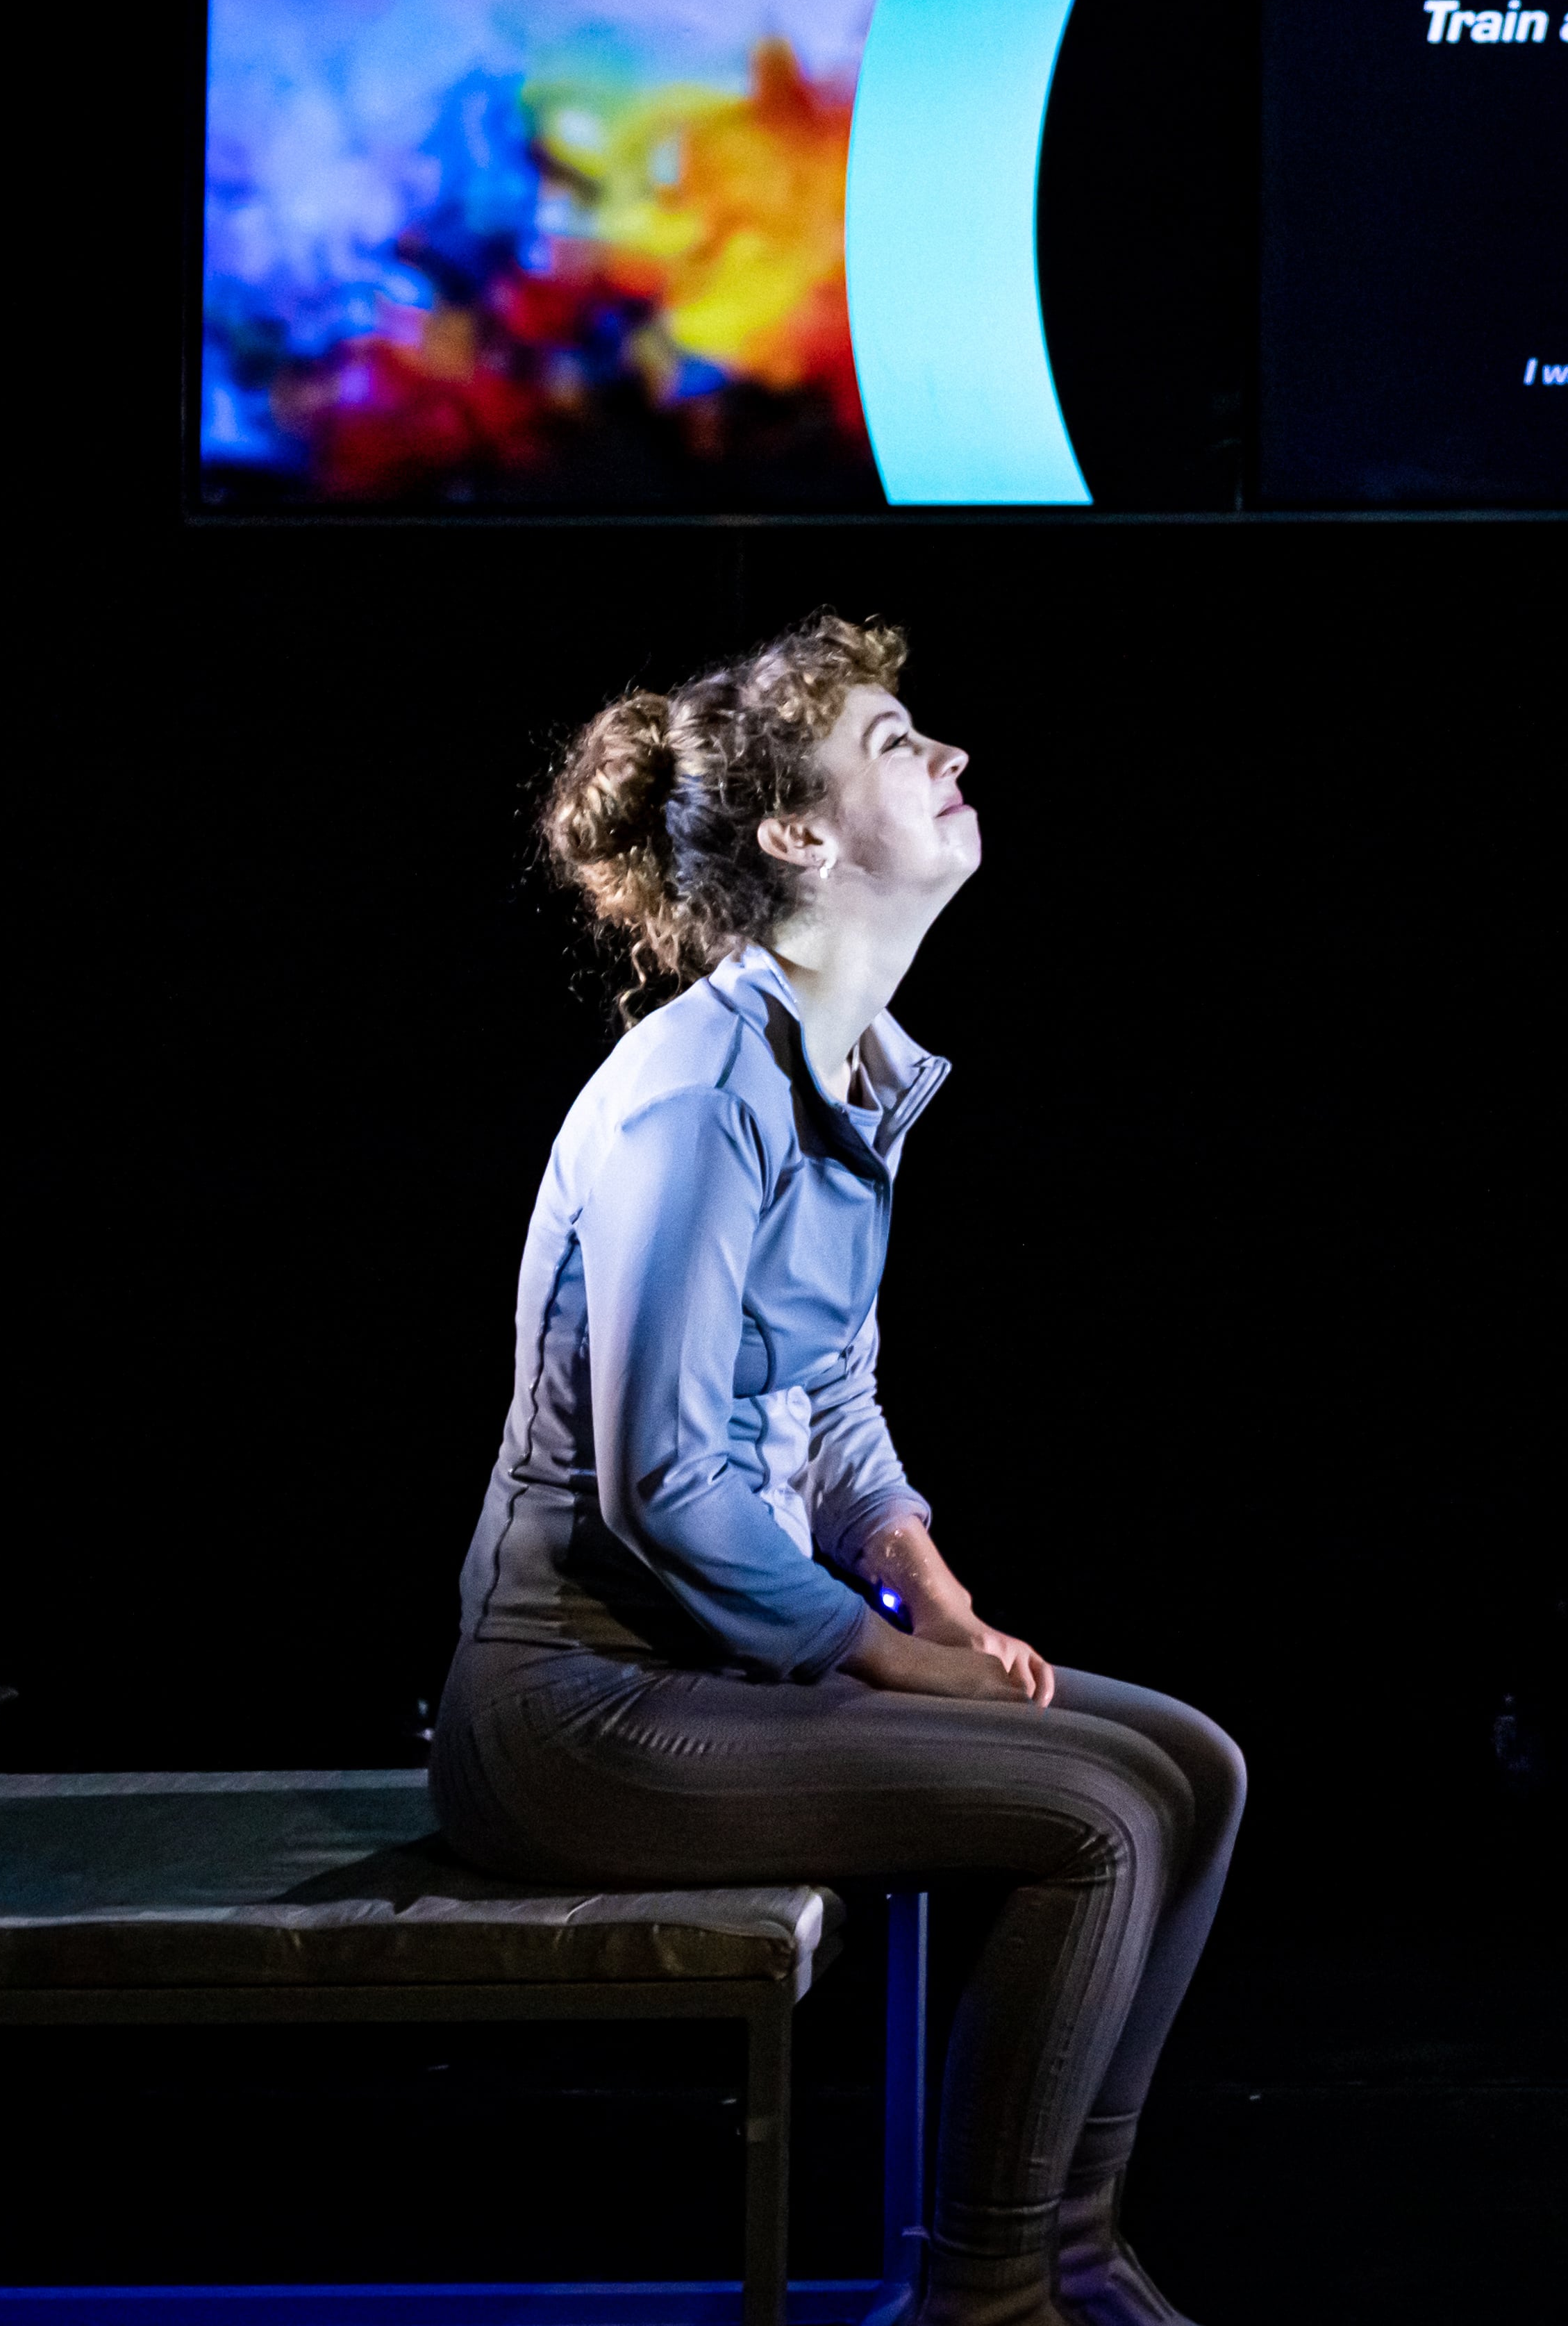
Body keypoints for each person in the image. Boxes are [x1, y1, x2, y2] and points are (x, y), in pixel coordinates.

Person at [434, 613, 1242, 2326]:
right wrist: (882, 1653)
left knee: (1193, 1764)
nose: (950, 755)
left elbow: (828, 1396)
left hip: (725, 1671)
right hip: (576, 1703)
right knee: (1095, 1816)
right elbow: (662, 1481)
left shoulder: (849, 1068)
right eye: (895, 741)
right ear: (800, 833)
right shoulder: (695, 1093)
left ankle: (1078, 2253)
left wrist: (932, 1591)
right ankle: (988, 2291)